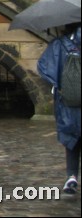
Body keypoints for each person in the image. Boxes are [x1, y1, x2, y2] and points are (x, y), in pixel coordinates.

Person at [37, 23, 81, 195]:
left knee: (71, 139)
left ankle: (71, 177)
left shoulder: (58, 44)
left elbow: (44, 68)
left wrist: (57, 85)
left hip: (68, 103)